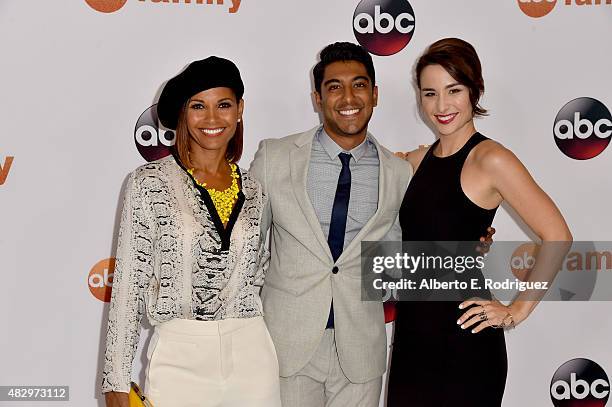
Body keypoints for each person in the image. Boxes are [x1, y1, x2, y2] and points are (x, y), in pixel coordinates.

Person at [386, 38, 573, 406]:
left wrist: (516, 310)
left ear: (475, 91)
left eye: (453, 90)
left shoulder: (492, 159)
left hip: (464, 343)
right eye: (429, 93)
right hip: (412, 338)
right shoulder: (414, 162)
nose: (441, 105)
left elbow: (558, 235)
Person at [102, 56, 281, 407]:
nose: (212, 118)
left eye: (224, 105)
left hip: (252, 354)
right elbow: (127, 287)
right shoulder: (148, 183)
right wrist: (116, 384)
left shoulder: (256, 189)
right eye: (198, 106)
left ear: (240, 109)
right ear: (183, 113)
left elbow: (258, 273)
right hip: (179, 356)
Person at [250, 42, 412, 406]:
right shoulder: (275, 158)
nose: (347, 97)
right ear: (317, 98)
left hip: (361, 350)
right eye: (334, 87)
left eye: (358, 85)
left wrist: (467, 243)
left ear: (375, 94)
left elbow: (396, 259)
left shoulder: (399, 172)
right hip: (286, 344)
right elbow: (250, 247)